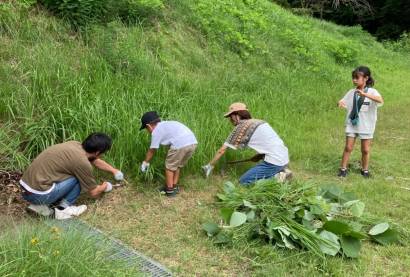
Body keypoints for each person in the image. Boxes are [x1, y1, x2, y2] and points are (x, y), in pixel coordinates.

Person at [19, 132, 124, 219]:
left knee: (69, 174)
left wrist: (114, 171)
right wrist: (105, 186)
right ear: (97, 152)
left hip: (26, 188)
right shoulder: (82, 163)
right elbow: (94, 193)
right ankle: (63, 210)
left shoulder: (75, 144)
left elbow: (94, 160)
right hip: (38, 194)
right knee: (77, 177)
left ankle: (40, 206)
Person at [202, 102, 291, 185]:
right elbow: (270, 143)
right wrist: (259, 156)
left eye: (231, 116)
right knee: (258, 175)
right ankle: (283, 171)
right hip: (284, 157)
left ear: (237, 115)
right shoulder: (259, 122)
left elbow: (222, 150)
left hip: (273, 162)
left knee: (243, 182)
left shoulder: (241, 127)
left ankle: (278, 177)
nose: (230, 119)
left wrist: (209, 165)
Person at [338, 66, 384, 178]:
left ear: (366, 78)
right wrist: (340, 103)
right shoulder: (351, 92)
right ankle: (343, 169)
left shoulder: (373, 91)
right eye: (353, 77)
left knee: (365, 149)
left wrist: (365, 94)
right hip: (352, 123)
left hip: (367, 125)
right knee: (348, 147)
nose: (354, 80)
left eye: (357, 78)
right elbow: (343, 101)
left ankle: (365, 170)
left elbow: (380, 100)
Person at [139, 111, 197, 197]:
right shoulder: (167, 124)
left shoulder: (156, 131)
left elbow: (152, 150)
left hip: (180, 144)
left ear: (149, 126)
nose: (148, 131)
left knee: (169, 167)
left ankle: (169, 190)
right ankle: (174, 186)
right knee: (177, 166)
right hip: (192, 142)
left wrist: (145, 162)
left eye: (146, 129)